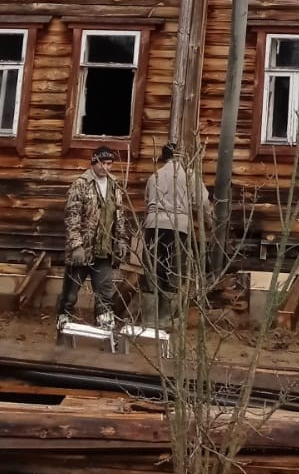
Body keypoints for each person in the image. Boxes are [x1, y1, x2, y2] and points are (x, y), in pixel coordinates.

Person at [56, 144, 128, 334]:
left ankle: (105, 330)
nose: (106, 167)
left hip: (104, 250)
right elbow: (72, 216)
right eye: (103, 163)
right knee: (70, 294)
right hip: (82, 250)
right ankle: (63, 326)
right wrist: (76, 245)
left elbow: (119, 215)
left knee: (104, 293)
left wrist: (121, 240)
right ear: (94, 162)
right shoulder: (81, 184)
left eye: (109, 163)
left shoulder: (114, 185)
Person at [143, 143, 210, 320]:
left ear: (164, 158)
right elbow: (202, 202)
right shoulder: (189, 175)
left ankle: (150, 318)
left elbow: (147, 203)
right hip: (177, 227)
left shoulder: (154, 176)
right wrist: (209, 222)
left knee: (153, 270)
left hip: (153, 225)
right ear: (181, 157)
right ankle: (166, 318)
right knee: (173, 271)